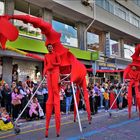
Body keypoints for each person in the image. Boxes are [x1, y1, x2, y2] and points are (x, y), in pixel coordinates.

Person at [43, 43, 61, 138]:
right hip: (49, 74)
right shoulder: (46, 56)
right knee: (50, 96)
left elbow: (59, 63)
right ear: (47, 48)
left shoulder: (56, 54)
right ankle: (46, 130)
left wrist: (53, 64)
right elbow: (45, 66)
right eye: (48, 47)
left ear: (52, 47)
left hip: (55, 72)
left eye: (51, 47)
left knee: (55, 91)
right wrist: (44, 73)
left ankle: (58, 130)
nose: (50, 48)